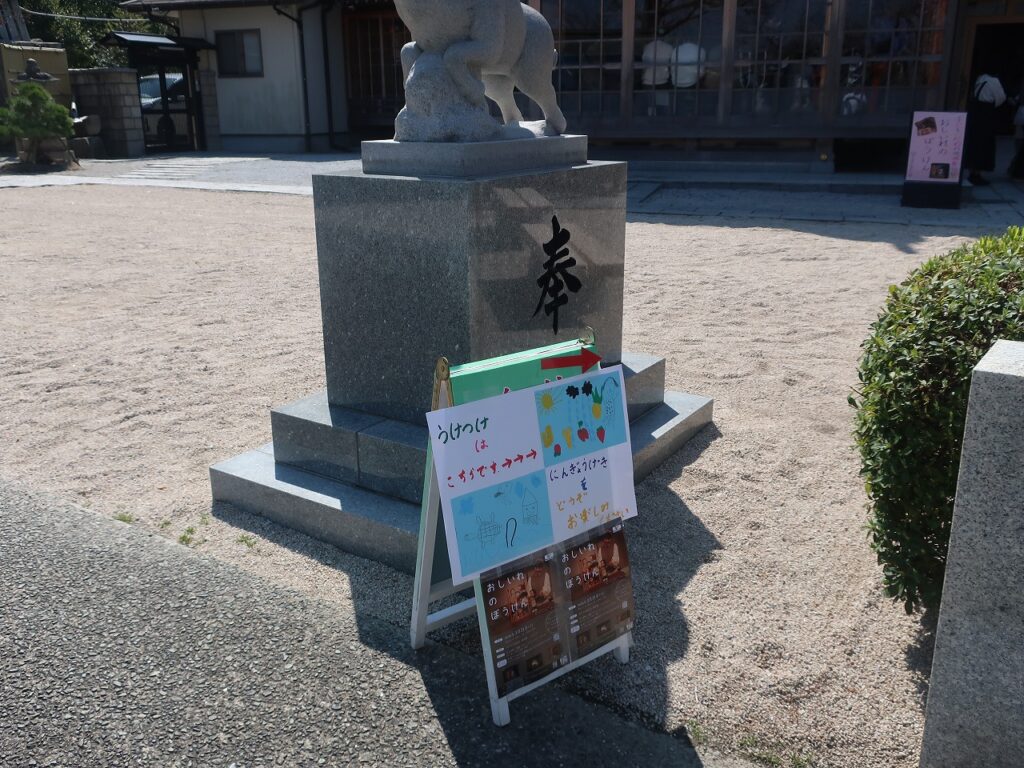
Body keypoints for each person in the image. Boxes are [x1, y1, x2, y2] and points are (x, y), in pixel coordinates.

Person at [964, 69, 1006, 185]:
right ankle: (977, 173)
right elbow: (1001, 97)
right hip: (986, 113)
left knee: (975, 142)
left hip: (976, 111)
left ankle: (973, 171)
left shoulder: (980, 79)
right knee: (984, 143)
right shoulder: (994, 81)